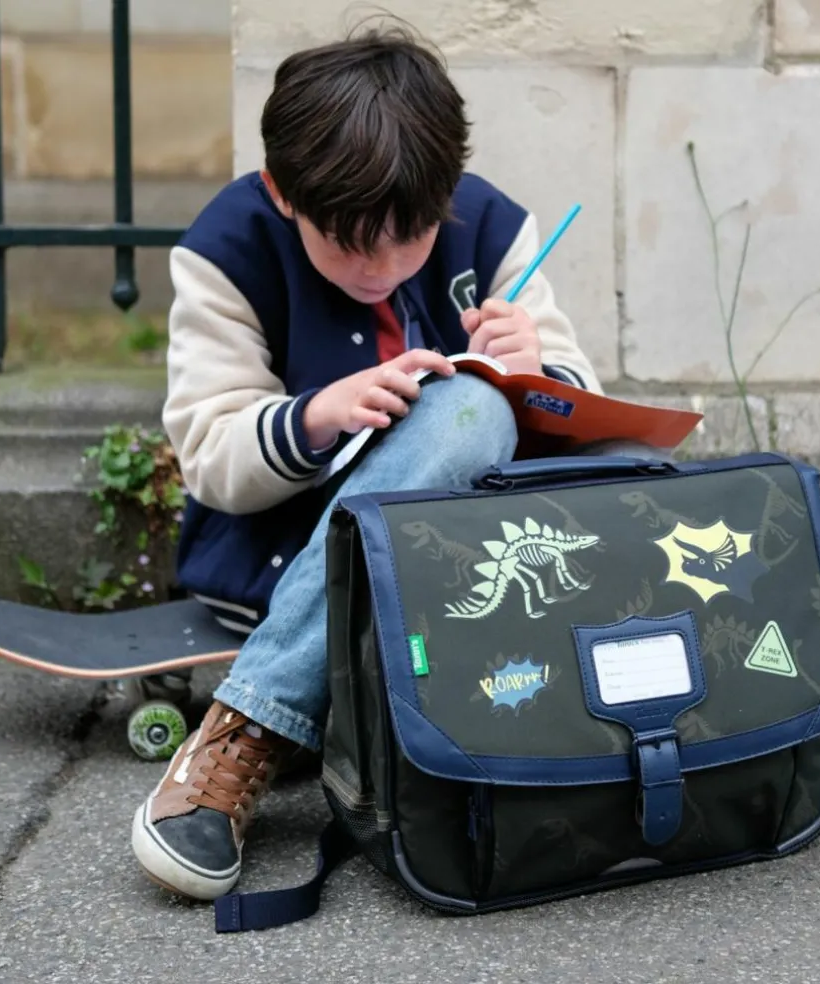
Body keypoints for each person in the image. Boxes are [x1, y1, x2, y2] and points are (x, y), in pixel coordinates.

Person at [130, 21, 601, 902]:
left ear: (446, 190)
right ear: (282, 192)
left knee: (479, 407)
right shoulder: (226, 246)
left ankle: (278, 717)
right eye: (350, 240)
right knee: (463, 408)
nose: (384, 266)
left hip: (449, 586)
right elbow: (209, 455)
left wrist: (539, 374)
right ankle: (256, 724)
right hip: (278, 580)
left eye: (414, 233)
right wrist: (316, 417)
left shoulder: (494, 227)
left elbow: (585, 415)